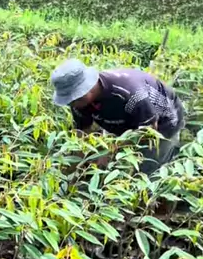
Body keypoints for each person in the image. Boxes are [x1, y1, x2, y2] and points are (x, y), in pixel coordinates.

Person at [50, 58, 185, 175]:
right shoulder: (79, 102)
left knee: (147, 169)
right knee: (106, 163)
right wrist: (75, 167)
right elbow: (84, 133)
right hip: (123, 121)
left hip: (162, 123)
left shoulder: (131, 94)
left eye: (75, 100)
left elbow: (148, 131)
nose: (73, 105)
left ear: (86, 89)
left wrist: (110, 153)